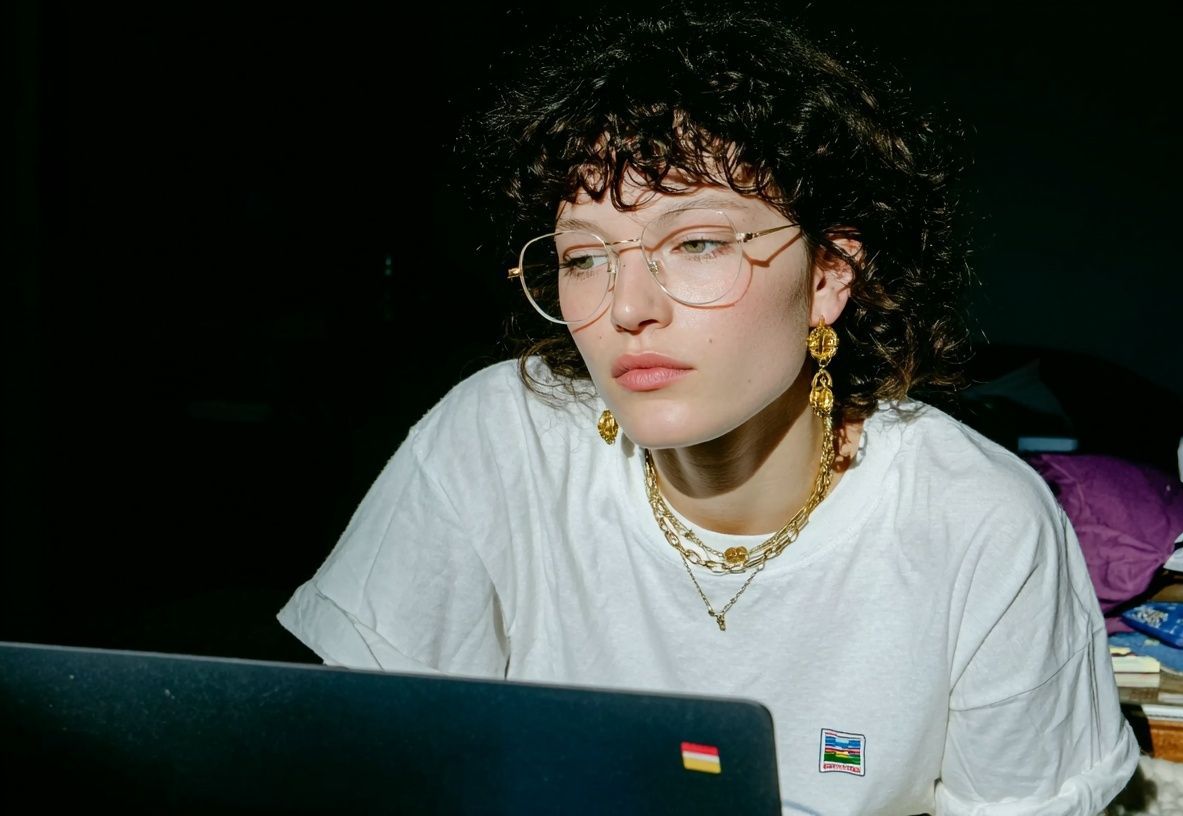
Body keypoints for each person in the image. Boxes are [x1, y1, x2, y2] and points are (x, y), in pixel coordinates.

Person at [278, 4, 1139, 813]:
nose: (626, 307)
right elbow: (356, 773)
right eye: (585, 258)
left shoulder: (978, 522)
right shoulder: (499, 439)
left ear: (829, 276)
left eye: (694, 244)